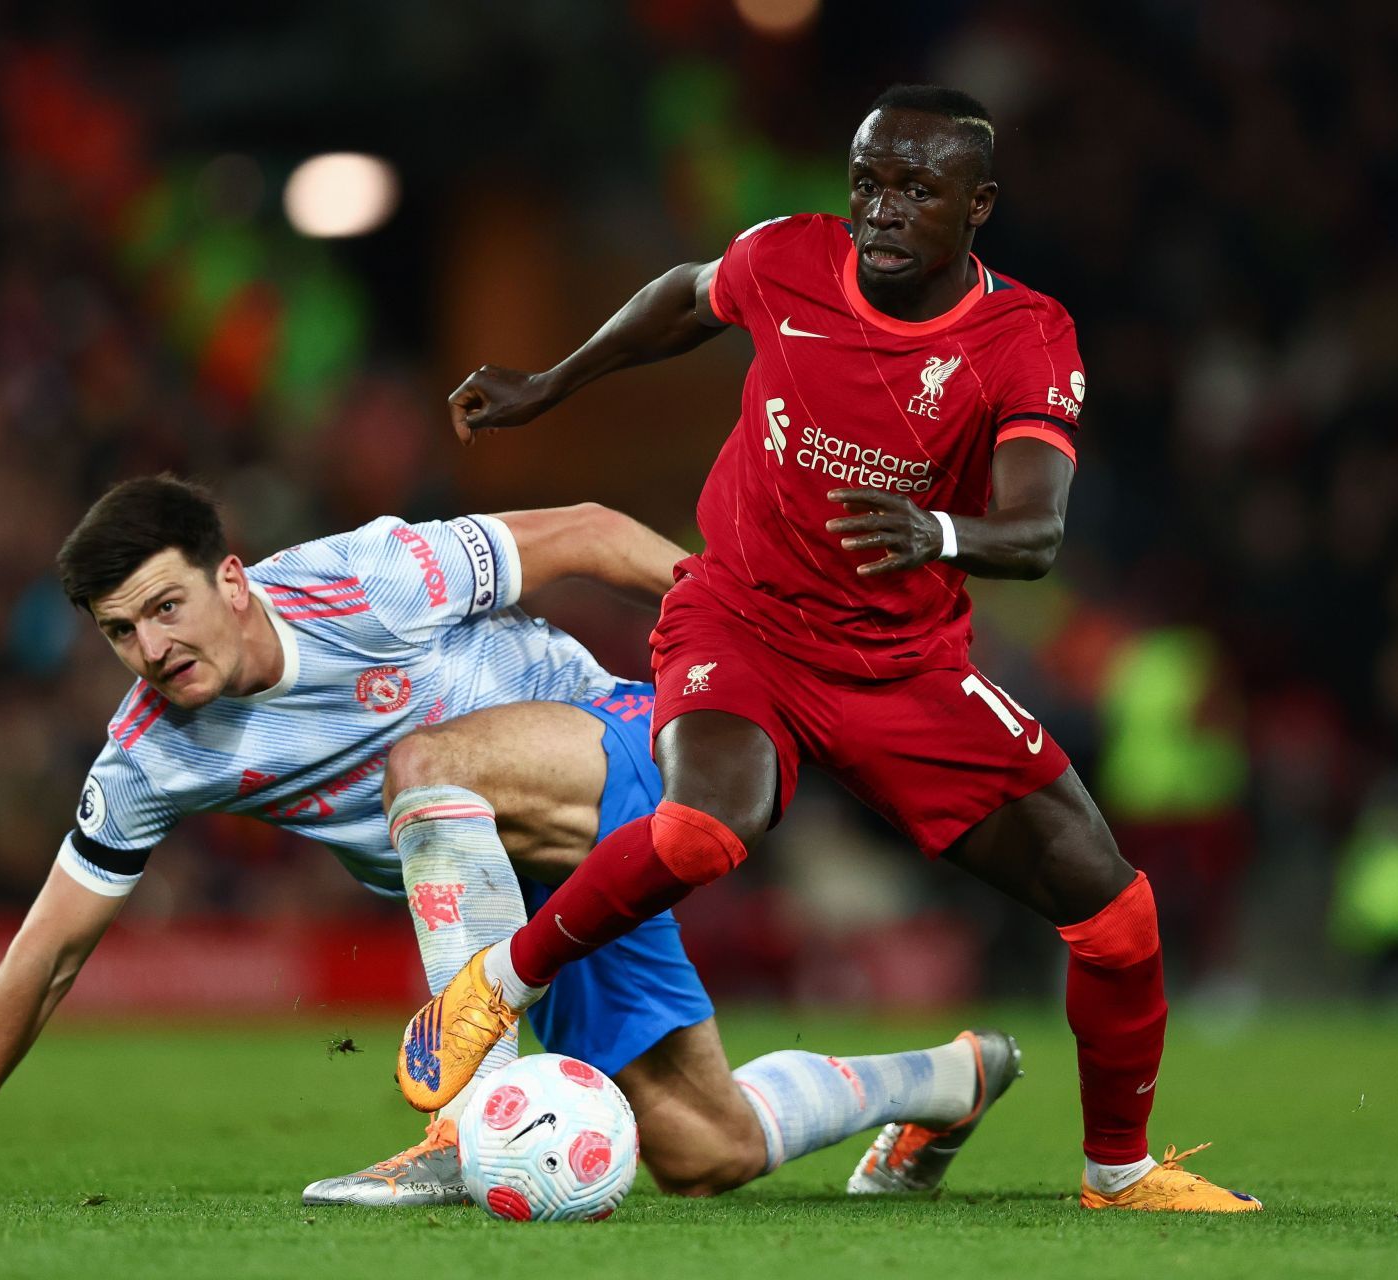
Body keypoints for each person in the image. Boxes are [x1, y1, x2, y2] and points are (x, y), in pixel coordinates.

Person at [400, 84, 1262, 1212]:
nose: (884, 209)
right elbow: (685, 298)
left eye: (918, 189)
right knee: (709, 823)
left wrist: (938, 530)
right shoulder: (792, 261)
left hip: (905, 669)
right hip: (742, 621)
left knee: (1116, 913)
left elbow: (1038, 525)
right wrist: (553, 382)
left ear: (978, 206)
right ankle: (490, 986)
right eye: (869, 183)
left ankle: (1119, 1171)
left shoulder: (1024, 336)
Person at [0, 475, 1022, 1206]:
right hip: (539, 876)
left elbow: (593, 529)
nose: (153, 648)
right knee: (705, 1150)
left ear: (232, 578)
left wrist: (745, 641)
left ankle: (463, 1122)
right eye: (121, 631)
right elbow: (47, 949)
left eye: (167, 605)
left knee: (421, 762)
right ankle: (954, 1079)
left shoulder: (366, 580)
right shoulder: (147, 755)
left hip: (622, 742)